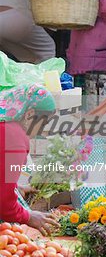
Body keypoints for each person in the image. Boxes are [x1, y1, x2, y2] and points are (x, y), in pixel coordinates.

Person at [0, 84, 60, 236]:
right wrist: (28, 216)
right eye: (44, 122)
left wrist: (15, 188)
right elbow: (4, 203)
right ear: (29, 114)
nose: (42, 130)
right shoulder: (15, 137)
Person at [0, 0, 64, 63]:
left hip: (5, 19)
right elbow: (48, 28)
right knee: (47, 50)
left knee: (24, 58)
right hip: (15, 20)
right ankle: (45, 76)